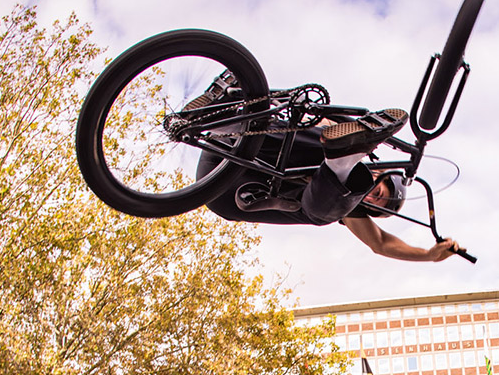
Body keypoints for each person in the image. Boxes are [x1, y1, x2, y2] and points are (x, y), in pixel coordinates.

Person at [194, 101, 464, 262]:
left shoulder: (348, 205)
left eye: (372, 205)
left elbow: (380, 242)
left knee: (325, 213)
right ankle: (219, 104)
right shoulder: (337, 130)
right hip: (234, 137)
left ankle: (339, 161)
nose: (369, 198)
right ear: (382, 175)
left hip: (224, 193)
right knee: (318, 140)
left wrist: (427, 255)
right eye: (378, 193)